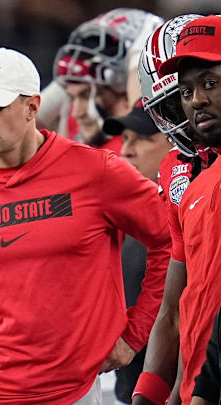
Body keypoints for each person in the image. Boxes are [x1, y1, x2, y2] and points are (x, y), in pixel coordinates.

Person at [0, 47, 171, 405]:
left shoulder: (95, 172)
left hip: (71, 391)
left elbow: (170, 238)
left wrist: (135, 334)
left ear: (33, 107)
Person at [132, 14, 221, 405]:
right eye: (182, 95)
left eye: (210, 84)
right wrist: (151, 396)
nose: (194, 104)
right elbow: (178, 307)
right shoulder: (185, 177)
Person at [103, 100, 172, 403]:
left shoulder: (192, 213)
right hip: (125, 390)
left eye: (142, 138)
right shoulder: (117, 218)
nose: (126, 150)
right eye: (125, 138)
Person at [45, 8, 163, 152]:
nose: (77, 113)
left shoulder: (145, 147)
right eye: (72, 97)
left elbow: (142, 116)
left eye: (86, 94)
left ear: (125, 92)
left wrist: (141, 54)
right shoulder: (75, 121)